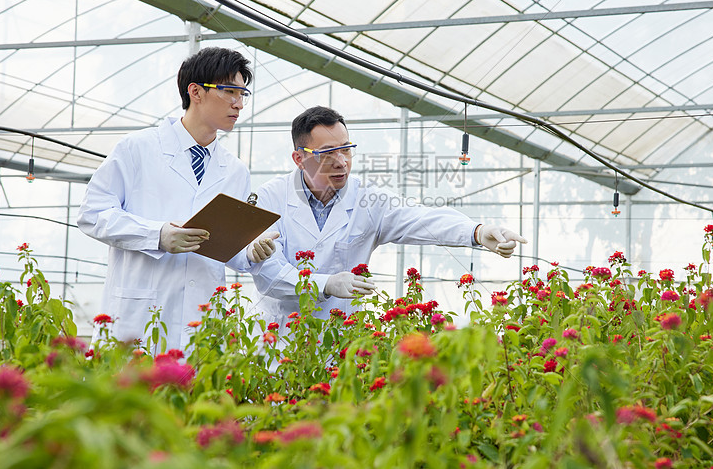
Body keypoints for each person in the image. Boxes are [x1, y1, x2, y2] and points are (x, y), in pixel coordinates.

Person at [249, 105, 525, 331]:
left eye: (346, 149)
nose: (341, 161)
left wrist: (476, 231)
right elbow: (268, 275)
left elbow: (420, 219)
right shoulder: (270, 198)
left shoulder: (367, 199)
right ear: (299, 158)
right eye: (327, 153)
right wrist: (326, 284)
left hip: (344, 344)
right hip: (284, 344)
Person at [77, 47, 277, 351]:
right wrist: (156, 235)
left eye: (243, 94)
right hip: (140, 314)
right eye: (230, 92)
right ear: (195, 92)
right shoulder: (137, 149)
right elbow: (92, 214)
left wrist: (250, 250)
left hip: (203, 319)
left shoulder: (234, 170)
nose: (239, 103)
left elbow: (223, 248)